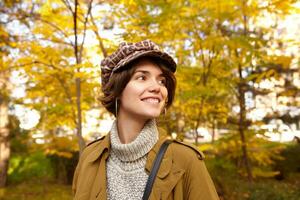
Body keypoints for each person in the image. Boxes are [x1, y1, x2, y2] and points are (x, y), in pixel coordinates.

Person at [72, 40, 219, 200]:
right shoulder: (89, 157)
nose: (157, 87)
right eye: (142, 77)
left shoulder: (186, 160)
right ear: (118, 89)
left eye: (161, 81)